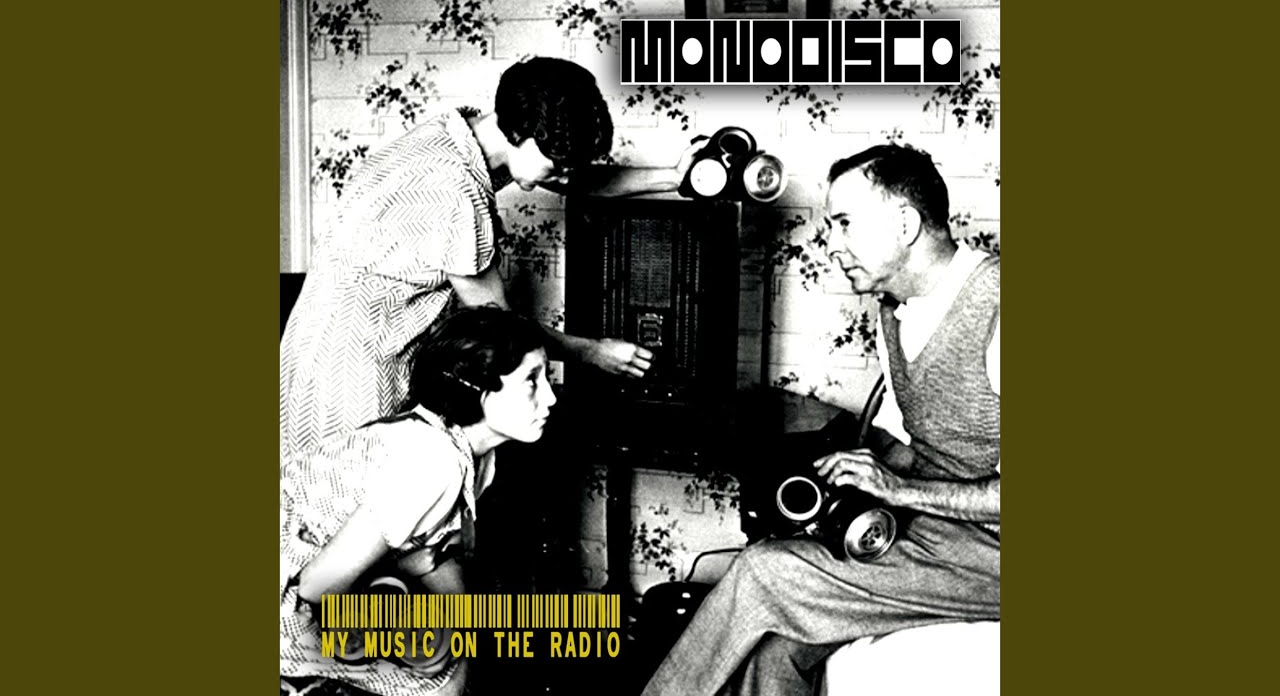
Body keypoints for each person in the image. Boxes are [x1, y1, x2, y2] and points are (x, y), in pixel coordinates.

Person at [641, 144, 1000, 696]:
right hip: (938, 535)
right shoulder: (893, 308)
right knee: (775, 647)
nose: (831, 244)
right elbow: (918, 441)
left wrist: (900, 490)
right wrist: (848, 476)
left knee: (765, 571)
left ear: (905, 225)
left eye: (845, 223)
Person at [280, 56, 699, 463]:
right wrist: (591, 352)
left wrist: (675, 178)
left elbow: (574, 178)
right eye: (557, 166)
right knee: (356, 496)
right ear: (519, 133)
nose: (564, 177)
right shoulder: (455, 193)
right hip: (356, 374)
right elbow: (502, 328)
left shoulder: (458, 134)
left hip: (309, 347)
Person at [280, 306, 555, 696]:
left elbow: (439, 554)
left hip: (313, 583)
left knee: (452, 656)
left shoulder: (471, 454)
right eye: (531, 380)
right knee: (441, 684)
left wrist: (458, 630)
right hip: (287, 599)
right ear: (475, 388)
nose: (551, 397)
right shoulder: (432, 461)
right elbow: (316, 587)